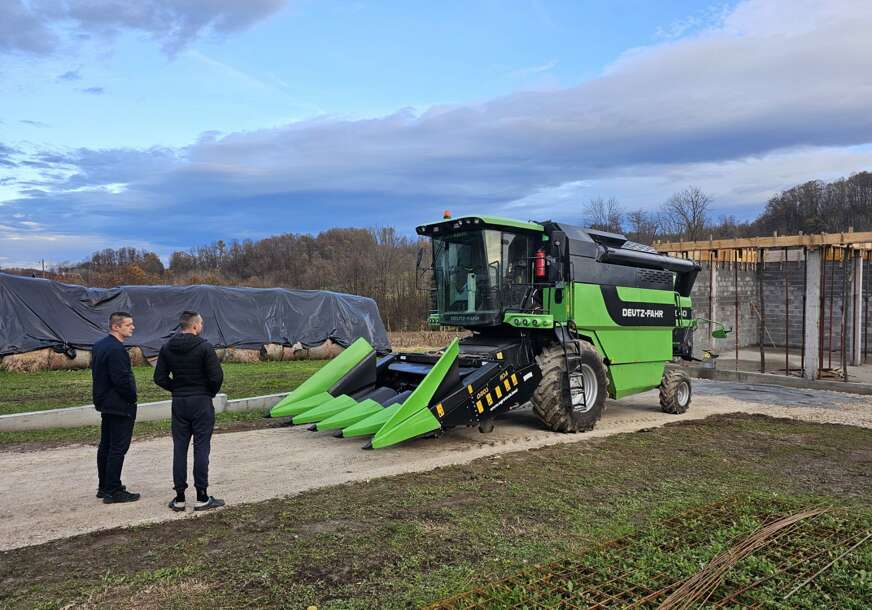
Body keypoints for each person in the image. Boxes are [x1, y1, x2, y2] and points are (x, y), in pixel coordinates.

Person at [154, 311, 225, 512]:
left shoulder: (167, 348)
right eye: (201, 323)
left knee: (179, 448)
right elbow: (216, 377)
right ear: (195, 326)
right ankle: (202, 496)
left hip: (179, 402)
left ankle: (179, 498)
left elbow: (159, 377)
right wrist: (207, 392)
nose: (202, 326)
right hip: (201, 401)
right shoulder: (204, 347)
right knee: (201, 447)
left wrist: (176, 389)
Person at [92, 311, 140, 504]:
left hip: (105, 403)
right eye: (128, 324)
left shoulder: (99, 346)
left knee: (106, 445)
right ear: (116, 327)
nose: (132, 327)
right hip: (120, 404)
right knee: (117, 448)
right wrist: (132, 397)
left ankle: (104, 486)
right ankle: (113, 490)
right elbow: (121, 379)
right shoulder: (116, 350)